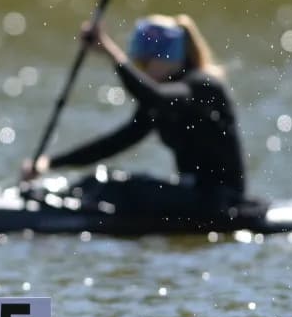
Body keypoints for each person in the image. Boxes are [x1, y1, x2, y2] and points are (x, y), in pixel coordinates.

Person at [21, 14, 249, 217]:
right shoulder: (162, 99)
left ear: (171, 57)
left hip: (221, 201)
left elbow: (153, 96)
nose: (142, 70)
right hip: (193, 195)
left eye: (146, 63)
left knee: (115, 188)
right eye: (138, 63)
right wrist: (50, 163)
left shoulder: (202, 86)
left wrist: (110, 51)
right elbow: (117, 142)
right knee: (96, 183)